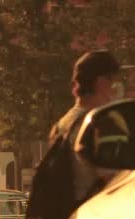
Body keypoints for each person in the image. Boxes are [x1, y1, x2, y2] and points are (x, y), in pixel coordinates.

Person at [49, 49, 122, 202]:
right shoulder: (98, 124)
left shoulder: (61, 125)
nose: (115, 89)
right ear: (101, 83)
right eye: (113, 82)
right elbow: (112, 180)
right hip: (95, 216)